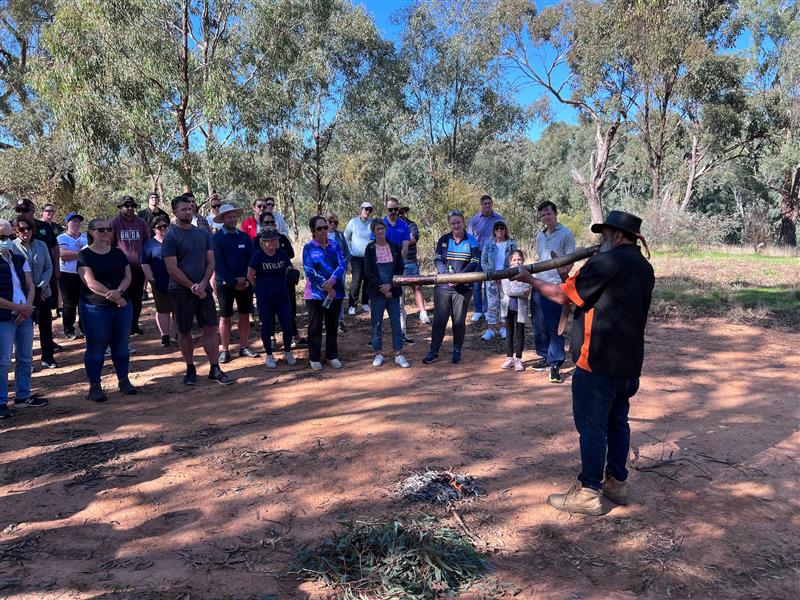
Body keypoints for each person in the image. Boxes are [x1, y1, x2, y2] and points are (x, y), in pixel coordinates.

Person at [513, 210, 654, 516]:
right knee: (618, 422)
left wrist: (529, 279)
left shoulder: (605, 262)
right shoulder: (644, 267)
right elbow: (592, 295)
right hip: (629, 364)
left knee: (592, 426)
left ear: (615, 235)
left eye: (603, 235)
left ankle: (589, 491)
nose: (600, 241)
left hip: (598, 362)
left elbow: (562, 297)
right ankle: (616, 483)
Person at [163, 195, 233, 386]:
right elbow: (172, 268)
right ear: (175, 212)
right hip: (180, 290)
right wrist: (192, 286)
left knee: (210, 328)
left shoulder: (203, 234)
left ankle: (215, 368)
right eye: (183, 209)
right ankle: (190, 368)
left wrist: (202, 284)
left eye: (190, 208)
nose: (188, 212)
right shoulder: (171, 236)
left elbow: (211, 261)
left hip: (203, 290)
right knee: (184, 331)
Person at [77, 218, 139, 402]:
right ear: (91, 232)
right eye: (101, 229)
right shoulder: (84, 255)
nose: (105, 233)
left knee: (121, 344)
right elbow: (90, 282)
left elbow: (128, 276)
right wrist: (113, 296)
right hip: (95, 308)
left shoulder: (118, 253)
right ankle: (94, 387)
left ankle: (124, 380)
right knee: (96, 347)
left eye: (108, 229)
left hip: (121, 307)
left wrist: (119, 293)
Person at [422, 210, 480, 365]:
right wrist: (445, 275)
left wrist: (459, 279)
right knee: (439, 321)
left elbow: (474, 262)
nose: (456, 225)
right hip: (443, 288)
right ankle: (433, 351)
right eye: (453, 223)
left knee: (459, 322)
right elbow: (437, 259)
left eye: (458, 222)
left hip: (462, 289)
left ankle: (457, 350)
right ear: (450, 224)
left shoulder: (472, 241)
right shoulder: (444, 240)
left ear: (463, 222)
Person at [0, 218, 42, 420]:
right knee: (3, 361)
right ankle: (0, 402)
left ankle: (23, 396)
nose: (6, 240)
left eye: (9, 236)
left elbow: (30, 285)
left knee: (25, 358)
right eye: (2, 236)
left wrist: (26, 309)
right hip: (4, 317)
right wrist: (19, 308)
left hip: (24, 314)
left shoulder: (18, 259)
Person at [530, 201, 576, 384]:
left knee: (555, 326)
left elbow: (571, 260)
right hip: (538, 283)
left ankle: (555, 362)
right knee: (539, 324)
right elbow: (540, 257)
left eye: (548, 214)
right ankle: (544, 356)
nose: (546, 217)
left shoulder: (566, 234)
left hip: (556, 286)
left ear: (555, 213)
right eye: (543, 215)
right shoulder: (540, 236)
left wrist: (563, 279)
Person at [212, 203, 259, 363]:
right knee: (225, 317)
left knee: (244, 315)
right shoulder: (217, 238)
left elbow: (251, 259)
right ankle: (225, 350)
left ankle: (244, 346)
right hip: (224, 284)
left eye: (234, 216)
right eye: (228, 216)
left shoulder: (244, 237)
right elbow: (218, 263)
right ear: (223, 218)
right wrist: (233, 281)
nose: (232, 219)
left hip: (245, 284)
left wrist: (246, 279)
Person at [364, 219, 409, 368]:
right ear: (373, 231)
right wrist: (381, 287)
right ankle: (378, 353)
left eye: (382, 228)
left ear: (385, 230)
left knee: (396, 322)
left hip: (393, 292)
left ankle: (398, 353)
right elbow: (368, 271)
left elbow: (399, 268)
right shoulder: (369, 249)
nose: (380, 231)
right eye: (377, 229)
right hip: (377, 293)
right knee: (376, 323)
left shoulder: (395, 247)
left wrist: (391, 286)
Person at [12, 215, 56, 369]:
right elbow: (15, 273)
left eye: (28, 228)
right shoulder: (12, 247)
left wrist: (40, 287)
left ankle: (48, 358)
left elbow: (48, 267)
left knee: (46, 326)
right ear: (16, 231)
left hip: (44, 292)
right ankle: (26, 361)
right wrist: (32, 290)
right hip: (23, 296)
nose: (25, 232)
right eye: (21, 229)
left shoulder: (42, 245)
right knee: (24, 329)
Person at [247, 228, 295, 368]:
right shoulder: (258, 256)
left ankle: (287, 352)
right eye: (269, 240)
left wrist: (291, 276)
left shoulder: (282, 255)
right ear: (263, 242)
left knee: (287, 325)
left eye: (275, 239)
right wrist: (259, 288)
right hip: (265, 298)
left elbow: (288, 269)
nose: (273, 242)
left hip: (282, 296)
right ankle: (269, 355)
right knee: (267, 326)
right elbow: (250, 275)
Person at [302, 216, 345, 371]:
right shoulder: (308, 248)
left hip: (336, 292)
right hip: (315, 294)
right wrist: (325, 285)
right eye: (319, 228)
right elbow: (309, 271)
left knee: (332, 325)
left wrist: (332, 282)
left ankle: (332, 355)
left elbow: (342, 264)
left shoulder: (335, 245)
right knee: (315, 326)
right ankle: (314, 357)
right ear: (313, 231)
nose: (323, 231)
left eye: (325, 228)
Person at [259, 211, 305, 348]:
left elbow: (290, 253)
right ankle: (271, 338)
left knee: (289, 309)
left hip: (284, 282)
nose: (270, 225)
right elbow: (254, 261)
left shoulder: (282, 238)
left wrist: (278, 251)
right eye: (266, 222)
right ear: (261, 224)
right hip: (266, 284)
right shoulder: (257, 240)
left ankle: (294, 336)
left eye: (272, 222)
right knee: (269, 313)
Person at [15, 199, 60, 326]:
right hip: (22, 287)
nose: (21, 213)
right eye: (18, 210)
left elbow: (55, 247)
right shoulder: (12, 229)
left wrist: (56, 269)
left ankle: (48, 344)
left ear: (33, 210)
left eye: (24, 210)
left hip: (44, 280)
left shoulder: (45, 226)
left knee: (46, 317)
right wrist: (32, 290)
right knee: (24, 320)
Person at [109, 195, 149, 336]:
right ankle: (122, 327)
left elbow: (146, 243)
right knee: (122, 297)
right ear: (120, 207)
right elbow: (109, 244)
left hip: (138, 268)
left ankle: (134, 325)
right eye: (127, 205)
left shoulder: (141, 223)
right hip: (120, 269)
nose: (130, 208)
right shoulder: (113, 223)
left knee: (136, 298)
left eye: (132, 206)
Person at [467, 194, 504, 322]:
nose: (487, 206)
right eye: (485, 204)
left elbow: (503, 236)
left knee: (490, 282)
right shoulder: (474, 220)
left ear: (492, 204)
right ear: (481, 205)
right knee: (477, 283)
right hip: (477, 253)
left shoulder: (499, 219)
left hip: (493, 254)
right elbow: (469, 239)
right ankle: (478, 310)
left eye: (489, 203)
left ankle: (488, 310)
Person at [479, 221, 517, 341]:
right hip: (492, 279)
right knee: (491, 304)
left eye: (502, 228)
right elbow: (483, 261)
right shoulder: (488, 244)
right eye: (497, 228)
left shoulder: (511, 244)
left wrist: (505, 274)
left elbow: (515, 260)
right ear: (494, 231)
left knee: (505, 303)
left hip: (507, 278)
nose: (499, 230)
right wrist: (493, 274)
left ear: (505, 230)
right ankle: (491, 329)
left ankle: (503, 328)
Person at [141, 216, 174, 347]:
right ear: (154, 229)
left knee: (178, 308)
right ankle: (165, 336)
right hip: (159, 281)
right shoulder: (149, 245)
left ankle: (179, 334)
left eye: (165, 226)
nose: (163, 229)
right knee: (163, 309)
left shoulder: (173, 241)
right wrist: (152, 279)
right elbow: (144, 263)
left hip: (177, 280)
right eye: (159, 227)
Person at [398, 206, 429, 329]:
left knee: (416, 286)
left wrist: (398, 239)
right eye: (398, 212)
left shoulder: (412, 224)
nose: (400, 214)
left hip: (410, 260)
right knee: (400, 289)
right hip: (398, 262)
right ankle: (402, 313)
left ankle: (423, 312)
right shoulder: (393, 225)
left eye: (402, 212)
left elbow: (413, 239)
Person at [57, 212, 87, 340]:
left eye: (78, 222)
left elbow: (90, 252)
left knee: (84, 302)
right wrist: (81, 253)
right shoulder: (61, 238)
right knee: (69, 303)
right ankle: (68, 328)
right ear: (67, 223)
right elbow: (63, 254)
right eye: (73, 221)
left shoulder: (85, 237)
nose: (76, 224)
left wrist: (73, 254)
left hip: (84, 273)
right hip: (66, 274)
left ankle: (84, 328)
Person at [500, 250, 531, 372]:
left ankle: (518, 359)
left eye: (519, 259)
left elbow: (528, 288)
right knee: (509, 332)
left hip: (521, 307)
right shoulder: (505, 274)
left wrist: (522, 291)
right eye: (514, 260)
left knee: (520, 333)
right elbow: (507, 291)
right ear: (510, 261)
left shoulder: (527, 273)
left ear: (523, 260)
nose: (517, 262)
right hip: (508, 307)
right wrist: (521, 291)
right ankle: (509, 358)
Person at [343, 202, 373, 315]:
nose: (367, 212)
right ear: (361, 209)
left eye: (370, 210)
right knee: (356, 281)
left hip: (369, 257)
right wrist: (348, 253)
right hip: (355, 257)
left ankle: (365, 303)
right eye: (366, 209)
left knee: (368, 280)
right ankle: (352, 306)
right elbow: (346, 237)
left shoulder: (372, 223)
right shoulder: (353, 222)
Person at [326, 212, 350, 333]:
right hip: (325, 271)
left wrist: (345, 265)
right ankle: (327, 320)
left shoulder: (340, 235)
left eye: (335, 222)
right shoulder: (321, 235)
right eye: (330, 221)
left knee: (339, 294)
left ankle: (340, 321)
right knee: (326, 294)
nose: (333, 224)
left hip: (339, 270)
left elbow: (346, 251)